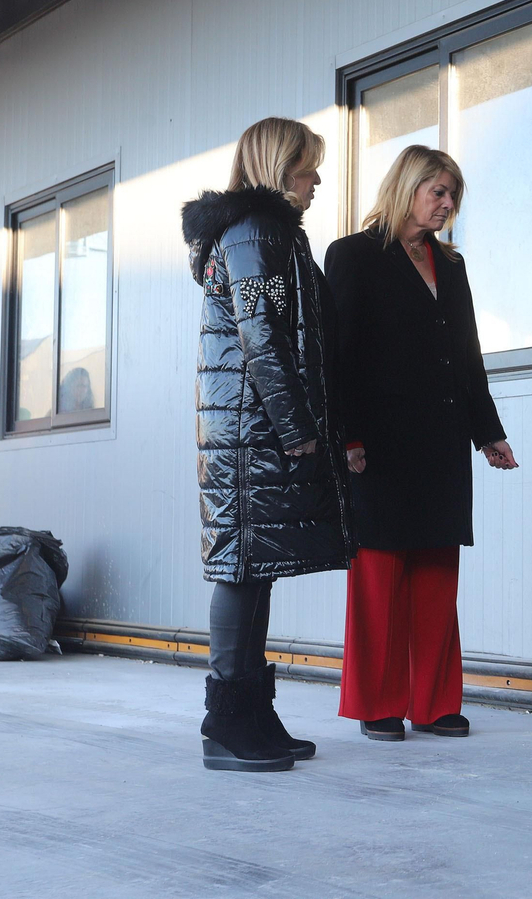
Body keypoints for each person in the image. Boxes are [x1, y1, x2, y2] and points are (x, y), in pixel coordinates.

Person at [325, 144, 519, 741]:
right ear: (407, 187)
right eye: (438, 192)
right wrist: (348, 435)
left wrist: (488, 433)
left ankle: (434, 703)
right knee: (380, 578)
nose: (448, 204)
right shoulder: (353, 255)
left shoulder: (451, 265)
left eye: (453, 195)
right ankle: (377, 704)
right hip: (378, 444)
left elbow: (467, 357)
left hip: (439, 443)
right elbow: (338, 355)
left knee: (437, 575)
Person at [180, 117, 355, 772]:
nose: (316, 180)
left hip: (251, 427)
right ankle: (226, 720)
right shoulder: (255, 233)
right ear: (281, 167)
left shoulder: (268, 233)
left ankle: (251, 712)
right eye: (309, 167)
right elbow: (261, 331)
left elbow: (277, 322)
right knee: (241, 567)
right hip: (252, 433)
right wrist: (296, 427)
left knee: (256, 570)